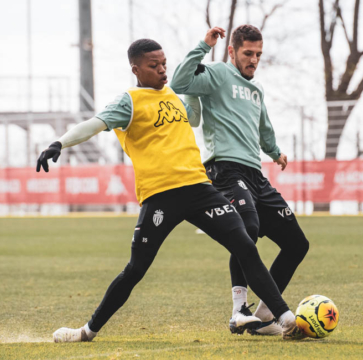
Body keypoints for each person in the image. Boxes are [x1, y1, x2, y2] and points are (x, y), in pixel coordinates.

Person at [36, 38, 303, 342]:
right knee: (136, 270)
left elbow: (195, 115)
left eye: (164, 63)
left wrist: (197, 85)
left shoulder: (174, 94)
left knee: (244, 242)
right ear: (136, 69)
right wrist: (59, 142)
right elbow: (94, 124)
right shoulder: (130, 101)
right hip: (161, 195)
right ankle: (87, 331)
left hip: (200, 188)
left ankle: (283, 317)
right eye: (154, 65)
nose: (163, 70)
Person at [171, 25, 309, 336]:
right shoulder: (218, 74)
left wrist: (275, 152)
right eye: (248, 53)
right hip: (225, 170)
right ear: (232, 51)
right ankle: (239, 310)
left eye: (258, 54)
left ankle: (262, 319)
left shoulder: (257, 90)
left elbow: (264, 128)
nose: (254, 59)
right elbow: (180, 81)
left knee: (297, 244)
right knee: (248, 231)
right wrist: (202, 46)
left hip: (256, 175)